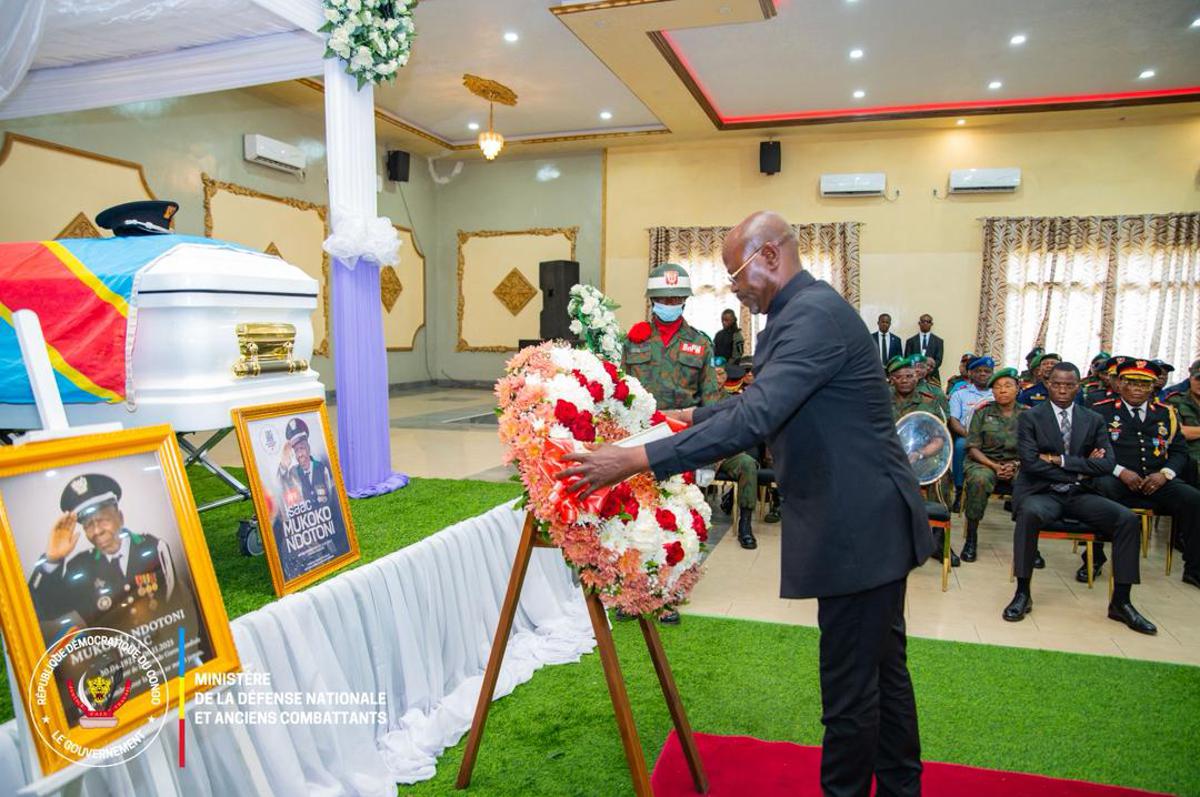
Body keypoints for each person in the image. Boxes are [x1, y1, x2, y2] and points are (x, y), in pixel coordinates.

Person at [561, 211, 930, 797]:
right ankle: (901, 788)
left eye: (736, 275)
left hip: (858, 527)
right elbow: (760, 400)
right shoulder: (801, 311)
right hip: (868, 517)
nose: (735, 289)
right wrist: (692, 415)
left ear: (770, 257)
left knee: (852, 693)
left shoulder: (810, 316)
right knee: (883, 672)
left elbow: (757, 417)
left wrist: (634, 459)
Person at [1004, 362, 1155, 634]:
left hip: (1080, 493)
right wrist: (1082, 467)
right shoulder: (1030, 417)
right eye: (1057, 384)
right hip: (1042, 492)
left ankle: (1121, 602)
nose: (1062, 390)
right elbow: (1030, 463)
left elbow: (1106, 463)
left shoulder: (1093, 419)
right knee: (1029, 514)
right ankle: (1022, 593)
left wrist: (1059, 460)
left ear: (1078, 387)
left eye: (1069, 385)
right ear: (1048, 384)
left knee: (1127, 520)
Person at [622, 263, 759, 556]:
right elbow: (621, 391)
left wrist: (711, 450)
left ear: (684, 300)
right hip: (640, 438)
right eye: (663, 298)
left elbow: (710, 401)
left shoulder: (700, 343)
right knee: (639, 517)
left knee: (678, 517)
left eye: (675, 298)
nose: (669, 303)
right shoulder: (632, 341)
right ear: (652, 300)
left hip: (683, 438)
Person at [1090, 359, 1200, 591]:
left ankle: (1194, 568)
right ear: (1120, 383)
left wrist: (1165, 474)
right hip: (1116, 478)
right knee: (1099, 489)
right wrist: (1120, 472)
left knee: (1193, 499)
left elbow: (1179, 451)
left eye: (1144, 384)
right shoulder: (1101, 411)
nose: (1138, 389)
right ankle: (1093, 558)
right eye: (1132, 383)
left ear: (1153, 387)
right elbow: (1092, 451)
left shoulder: (1165, 413)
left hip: (1156, 481)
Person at [28, 473, 179, 637]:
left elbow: (177, 604)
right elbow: (41, 612)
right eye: (88, 525)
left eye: (103, 520)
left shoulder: (153, 548)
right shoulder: (80, 567)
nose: (97, 531)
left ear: (120, 518)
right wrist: (52, 559)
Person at [888, 355, 957, 567]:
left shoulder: (928, 401)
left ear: (916, 377)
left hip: (921, 456)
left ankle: (939, 540)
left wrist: (919, 454)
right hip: (889, 458)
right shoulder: (880, 400)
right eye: (899, 377)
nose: (905, 380)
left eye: (909, 376)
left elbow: (939, 438)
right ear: (891, 379)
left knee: (942, 478)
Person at [960, 367, 1027, 562]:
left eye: (1008, 386)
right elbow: (972, 448)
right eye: (997, 387)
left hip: (1018, 464)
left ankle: (1028, 541)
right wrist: (995, 466)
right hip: (983, 462)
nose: (1002, 390)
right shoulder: (982, 412)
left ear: (1017, 388)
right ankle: (971, 538)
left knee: (1029, 483)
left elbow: (1033, 449)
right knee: (979, 480)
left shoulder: (1029, 415)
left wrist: (1015, 464)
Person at [947, 356, 995, 513]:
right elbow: (954, 421)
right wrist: (972, 437)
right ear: (971, 373)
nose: (983, 374)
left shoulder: (997, 394)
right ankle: (959, 491)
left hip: (994, 439)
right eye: (978, 371)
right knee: (960, 445)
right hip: (967, 436)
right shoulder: (960, 394)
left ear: (992, 373)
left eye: (987, 371)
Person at [1165, 358, 1200, 486]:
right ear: (1190, 378)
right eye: (1198, 379)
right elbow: (1180, 432)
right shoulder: (1175, 400)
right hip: (1189, 456)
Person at [904, 314, 943, 382]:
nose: (925, 323)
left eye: (928, 322)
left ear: (931, 324)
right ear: (919, 323)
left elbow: (938, 360)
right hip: (914, 376)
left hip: (932, 377)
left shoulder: (939, 341)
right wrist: (918, 371)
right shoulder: (911, 341)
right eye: (923, 321)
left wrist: (927, 370)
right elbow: (908, 359)